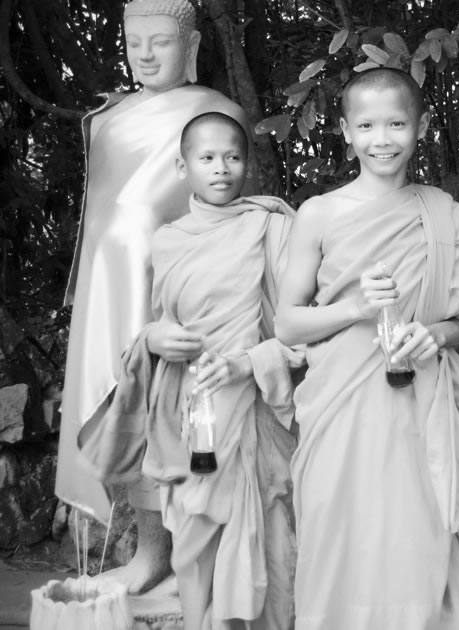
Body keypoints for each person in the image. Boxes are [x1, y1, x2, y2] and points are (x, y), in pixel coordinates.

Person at [275, 67, 459, 630]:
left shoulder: (445, 216)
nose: (381, 138)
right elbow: (288, 325)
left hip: (420, 399)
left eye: (395, 124)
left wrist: (438, 333)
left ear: (422, 126)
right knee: (341, 526)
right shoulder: (319, 214)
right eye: (366, 125)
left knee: (414, 528)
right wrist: (356, 310)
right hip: (341, 399)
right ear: (344, 130)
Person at [57, 0, 251, 594]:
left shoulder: (214, 111)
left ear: (190, 46)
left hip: (185, 282)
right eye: (134, 40)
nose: (145, 53)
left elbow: (202, 196)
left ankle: (199, 550)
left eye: (160, 41)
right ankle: (149, 547)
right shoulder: (112, 116)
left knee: (187, 413)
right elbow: (105, 217)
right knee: (132, 403)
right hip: (112, 283)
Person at [98, 112, 298, 630]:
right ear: (182, 166)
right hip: (190, 409)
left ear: (247, 164)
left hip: (256, 405)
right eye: (206, 158)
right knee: (191, 529)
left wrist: (247, 364)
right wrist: (154, 338)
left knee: (271, 529)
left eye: (232, 157)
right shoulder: (169, 240)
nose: (221, 169)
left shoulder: (271, 225)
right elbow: (159, 325)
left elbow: (299, 328)